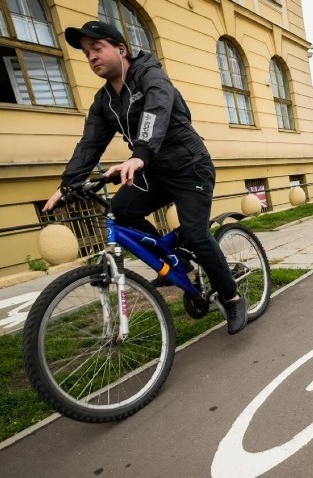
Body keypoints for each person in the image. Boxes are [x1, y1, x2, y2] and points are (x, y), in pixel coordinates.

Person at [43, 21, 247, 334]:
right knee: (123, 211)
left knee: (195, 233)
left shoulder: (150, 74)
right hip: (152, 170)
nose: (91, 57)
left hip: (189, 165)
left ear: (120, 49)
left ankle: (232, 297)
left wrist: (139, 154)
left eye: (97, 48)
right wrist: (67, 186)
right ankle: (177, 261)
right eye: (86, 54)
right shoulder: (104, 102)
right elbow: (89, 144)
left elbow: (157, 109)